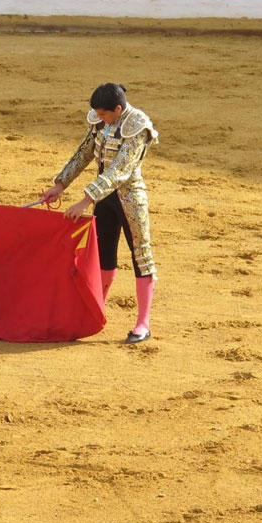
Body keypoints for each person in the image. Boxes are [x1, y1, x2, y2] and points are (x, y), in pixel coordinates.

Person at [42, 83, 158, 343]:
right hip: (104, 199)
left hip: (130, 198)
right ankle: (98, 310)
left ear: (118, 109)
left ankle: (143, 323)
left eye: (105, 115)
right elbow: (84, 152)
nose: (100, 119)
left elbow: (120, 170)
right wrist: (60, 185)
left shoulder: (138, 125)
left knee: (141, 255)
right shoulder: (100, 119)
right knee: (104, 255)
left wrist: (85, 200)